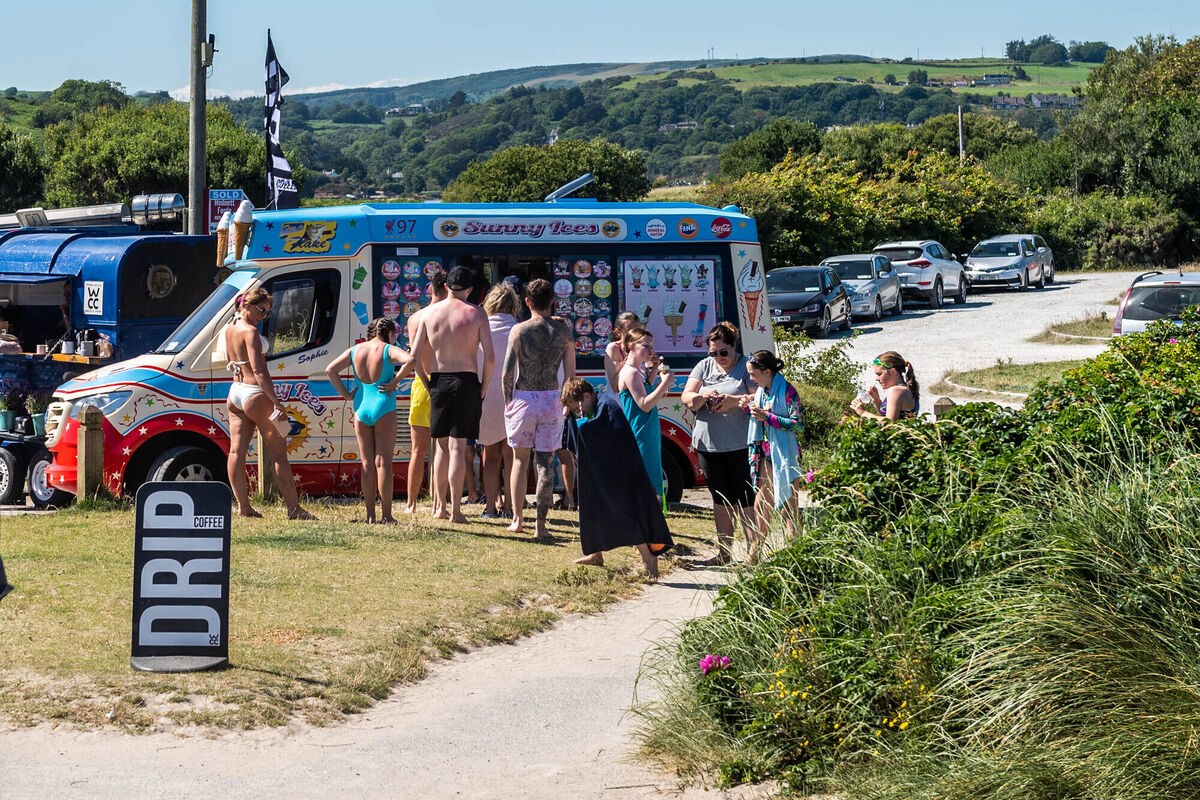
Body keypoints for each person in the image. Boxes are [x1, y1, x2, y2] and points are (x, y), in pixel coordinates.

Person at [562, 378, 672, 579]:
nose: (580, 412)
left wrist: (581, 424)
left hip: (622, 476)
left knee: (628, 517)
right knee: (592, 509)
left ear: (586, 396)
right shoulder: (598, 405)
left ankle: (650, 561)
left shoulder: (608, 408)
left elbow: (606, 436)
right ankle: (595, 554)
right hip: (608, 472)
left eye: (578, 407)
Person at [223, 288, 316, 520]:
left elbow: (229, 361)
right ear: (248, 305)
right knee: (278, 455)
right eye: (261, 310)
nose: (263, 316)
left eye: (266, 313)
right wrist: (276, 403)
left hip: (235, 391)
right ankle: (294, 509)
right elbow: (259, 370)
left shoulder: (229, 328)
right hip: (255, 392)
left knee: (236, 451)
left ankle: (244, 508)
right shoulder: (251, 331)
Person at [411, 266, 495, 524]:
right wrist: (482, 387)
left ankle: (440, 507)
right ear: (469, 290)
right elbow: (490, 358)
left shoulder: (428, 314)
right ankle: (456, 510)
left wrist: (427, 383)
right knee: (458, 447)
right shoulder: (476, 313)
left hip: (438, 380)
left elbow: (413, 357)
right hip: (467, 379)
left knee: (441, 448)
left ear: (446, 286)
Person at [503, 278, 575, 539]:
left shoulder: (519, 330)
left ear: (528, 302)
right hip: (551, 399)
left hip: (523, 397)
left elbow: (507, 371)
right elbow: (570, 375)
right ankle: (540, 526)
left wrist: (508, 402)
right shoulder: (564, 334)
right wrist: (566, 404)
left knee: (519, 461)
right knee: (545, 462)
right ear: (552, 302)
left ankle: (517, 518)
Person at [680, 322, 757, 566]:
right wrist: (702, 396)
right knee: (720, 498)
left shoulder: (746, 366)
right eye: (713, 353)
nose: (718, 357)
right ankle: (724, 554)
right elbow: (687, 397)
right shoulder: (704, 366)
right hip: (708, 444)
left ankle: (753, 555)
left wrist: (734, 400)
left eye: (723, 352)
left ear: (734, 346)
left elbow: (759, 396)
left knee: (745, 497)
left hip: (740, 442)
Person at [326, 317, 412, 524]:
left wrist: (346, 394)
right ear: (389, 333)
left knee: (366, 463)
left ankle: (370, 515)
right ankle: (387, 515)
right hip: (383, 405)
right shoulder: (387, 349)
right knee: (383, 462)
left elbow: (331, 370)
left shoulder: (356, 350)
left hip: (361, 407)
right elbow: (411, 360)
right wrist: (394, 382)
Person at [741, 350, 804, 549]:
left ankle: (796, 551)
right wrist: (747, 408)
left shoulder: (787, 391)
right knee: (760, 504)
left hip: (786, 454)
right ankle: (755, 552)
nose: (751, 379)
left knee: (789, 507)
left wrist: (767, 417)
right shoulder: (762, 391)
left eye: (753, 374)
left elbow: (798, 423)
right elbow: (759, 418)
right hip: (766, 454)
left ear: (767, 371)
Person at [405, 270, 448, 514]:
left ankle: (411, 504)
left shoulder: (415, 318)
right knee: (444, 447)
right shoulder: (448, 316)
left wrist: (424, 381)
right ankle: (439, 502)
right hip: (444, 378)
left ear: (430, 289)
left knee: (418, 450)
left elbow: (414, 358)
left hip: (422, 383)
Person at [478, 283, 520, 518]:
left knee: (490, 455)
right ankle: (510, 508)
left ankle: (491, 507)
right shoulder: (519, 329)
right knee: (512, 455)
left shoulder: (480, 329)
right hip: (515, 398)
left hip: (487, 398)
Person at [617, 327, 672, 502]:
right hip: (640, 429)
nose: (651, 350)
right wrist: (664, 384)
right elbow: (644, 404)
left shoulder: (639, 370)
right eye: (646, 346)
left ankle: (651, 517)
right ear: (632, 346)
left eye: (652, 346)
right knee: (646, 473)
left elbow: (647, 391)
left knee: (653, 470)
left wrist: (655, 370)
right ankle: (648, 517)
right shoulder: (630, 372)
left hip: (647, 427)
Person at [850, 351, 920, 422]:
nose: (876, 379)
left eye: (879, 374)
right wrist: (877, 401)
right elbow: (893, 417)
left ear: (893, 371)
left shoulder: (895, 391)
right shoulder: (908, 388)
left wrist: (862, 412)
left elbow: (889, 421)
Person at [603, 311, 641, 394]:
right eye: (630, 330)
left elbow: (647, 384)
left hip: (637, 403)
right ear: (618, 332)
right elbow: (615, 386)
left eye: (638, 330)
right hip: (618, 403)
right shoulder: (613, 348)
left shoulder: (643, 347)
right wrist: (628, 361)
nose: (635, 335)